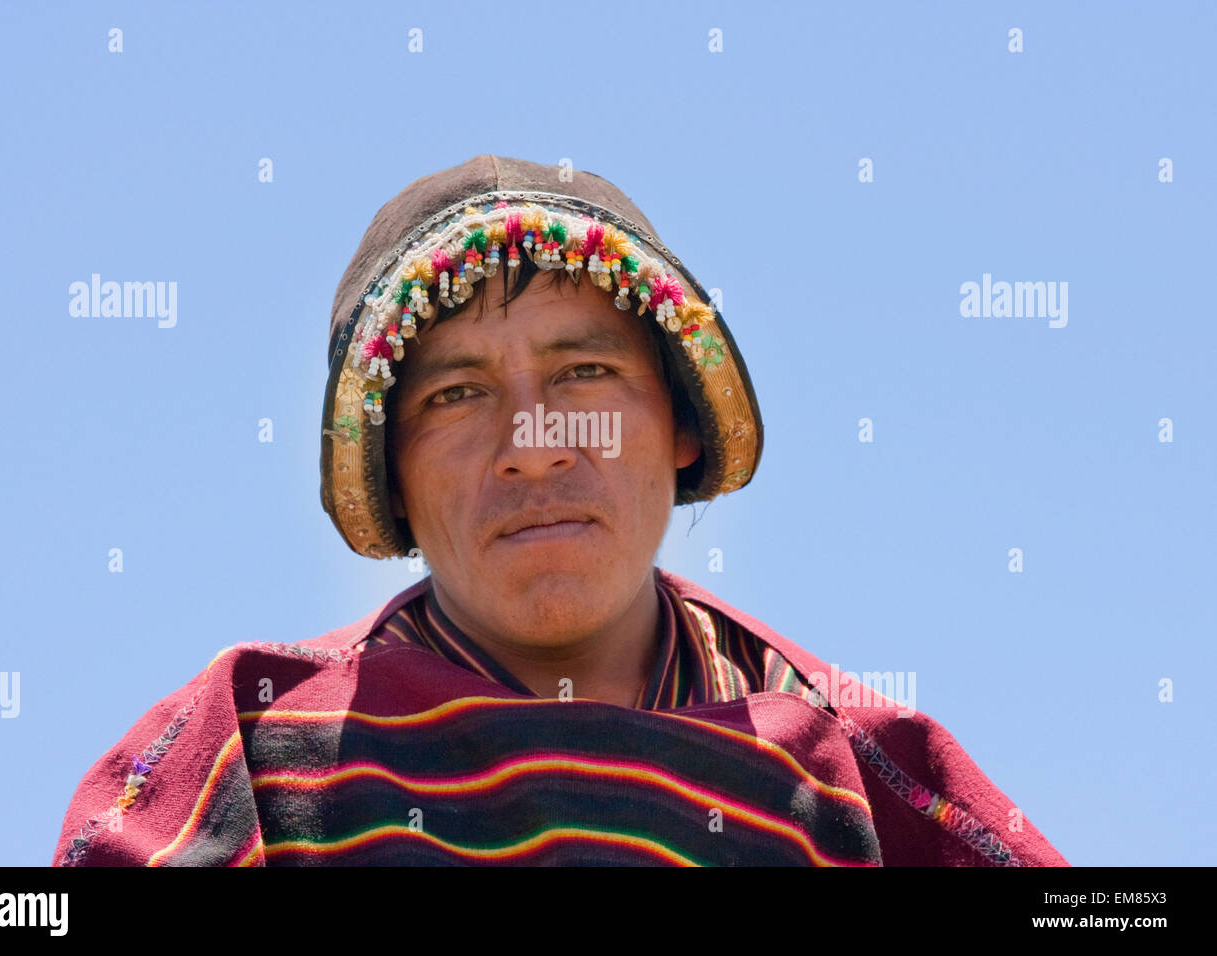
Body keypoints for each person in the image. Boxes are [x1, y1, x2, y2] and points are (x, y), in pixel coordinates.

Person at [52, 155, 1068, 866]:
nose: (532, 446)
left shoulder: (868, 776)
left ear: (678, 425)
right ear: (393, 472)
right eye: (456, 395)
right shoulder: (247, 752)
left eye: (584, 373)